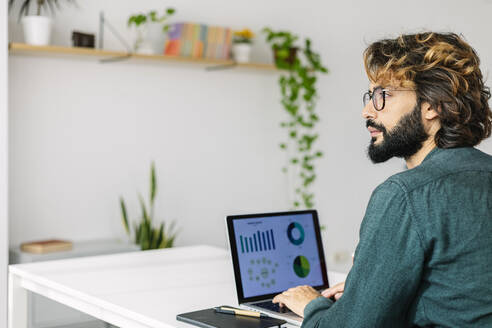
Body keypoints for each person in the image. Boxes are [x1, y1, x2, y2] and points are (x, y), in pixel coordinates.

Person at [272, 32, 492, 327]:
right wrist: (367, 292)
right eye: (370, 96)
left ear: (432, 105)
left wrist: (313, 306)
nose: (367, 111)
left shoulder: (406, 195)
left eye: (383, 95)